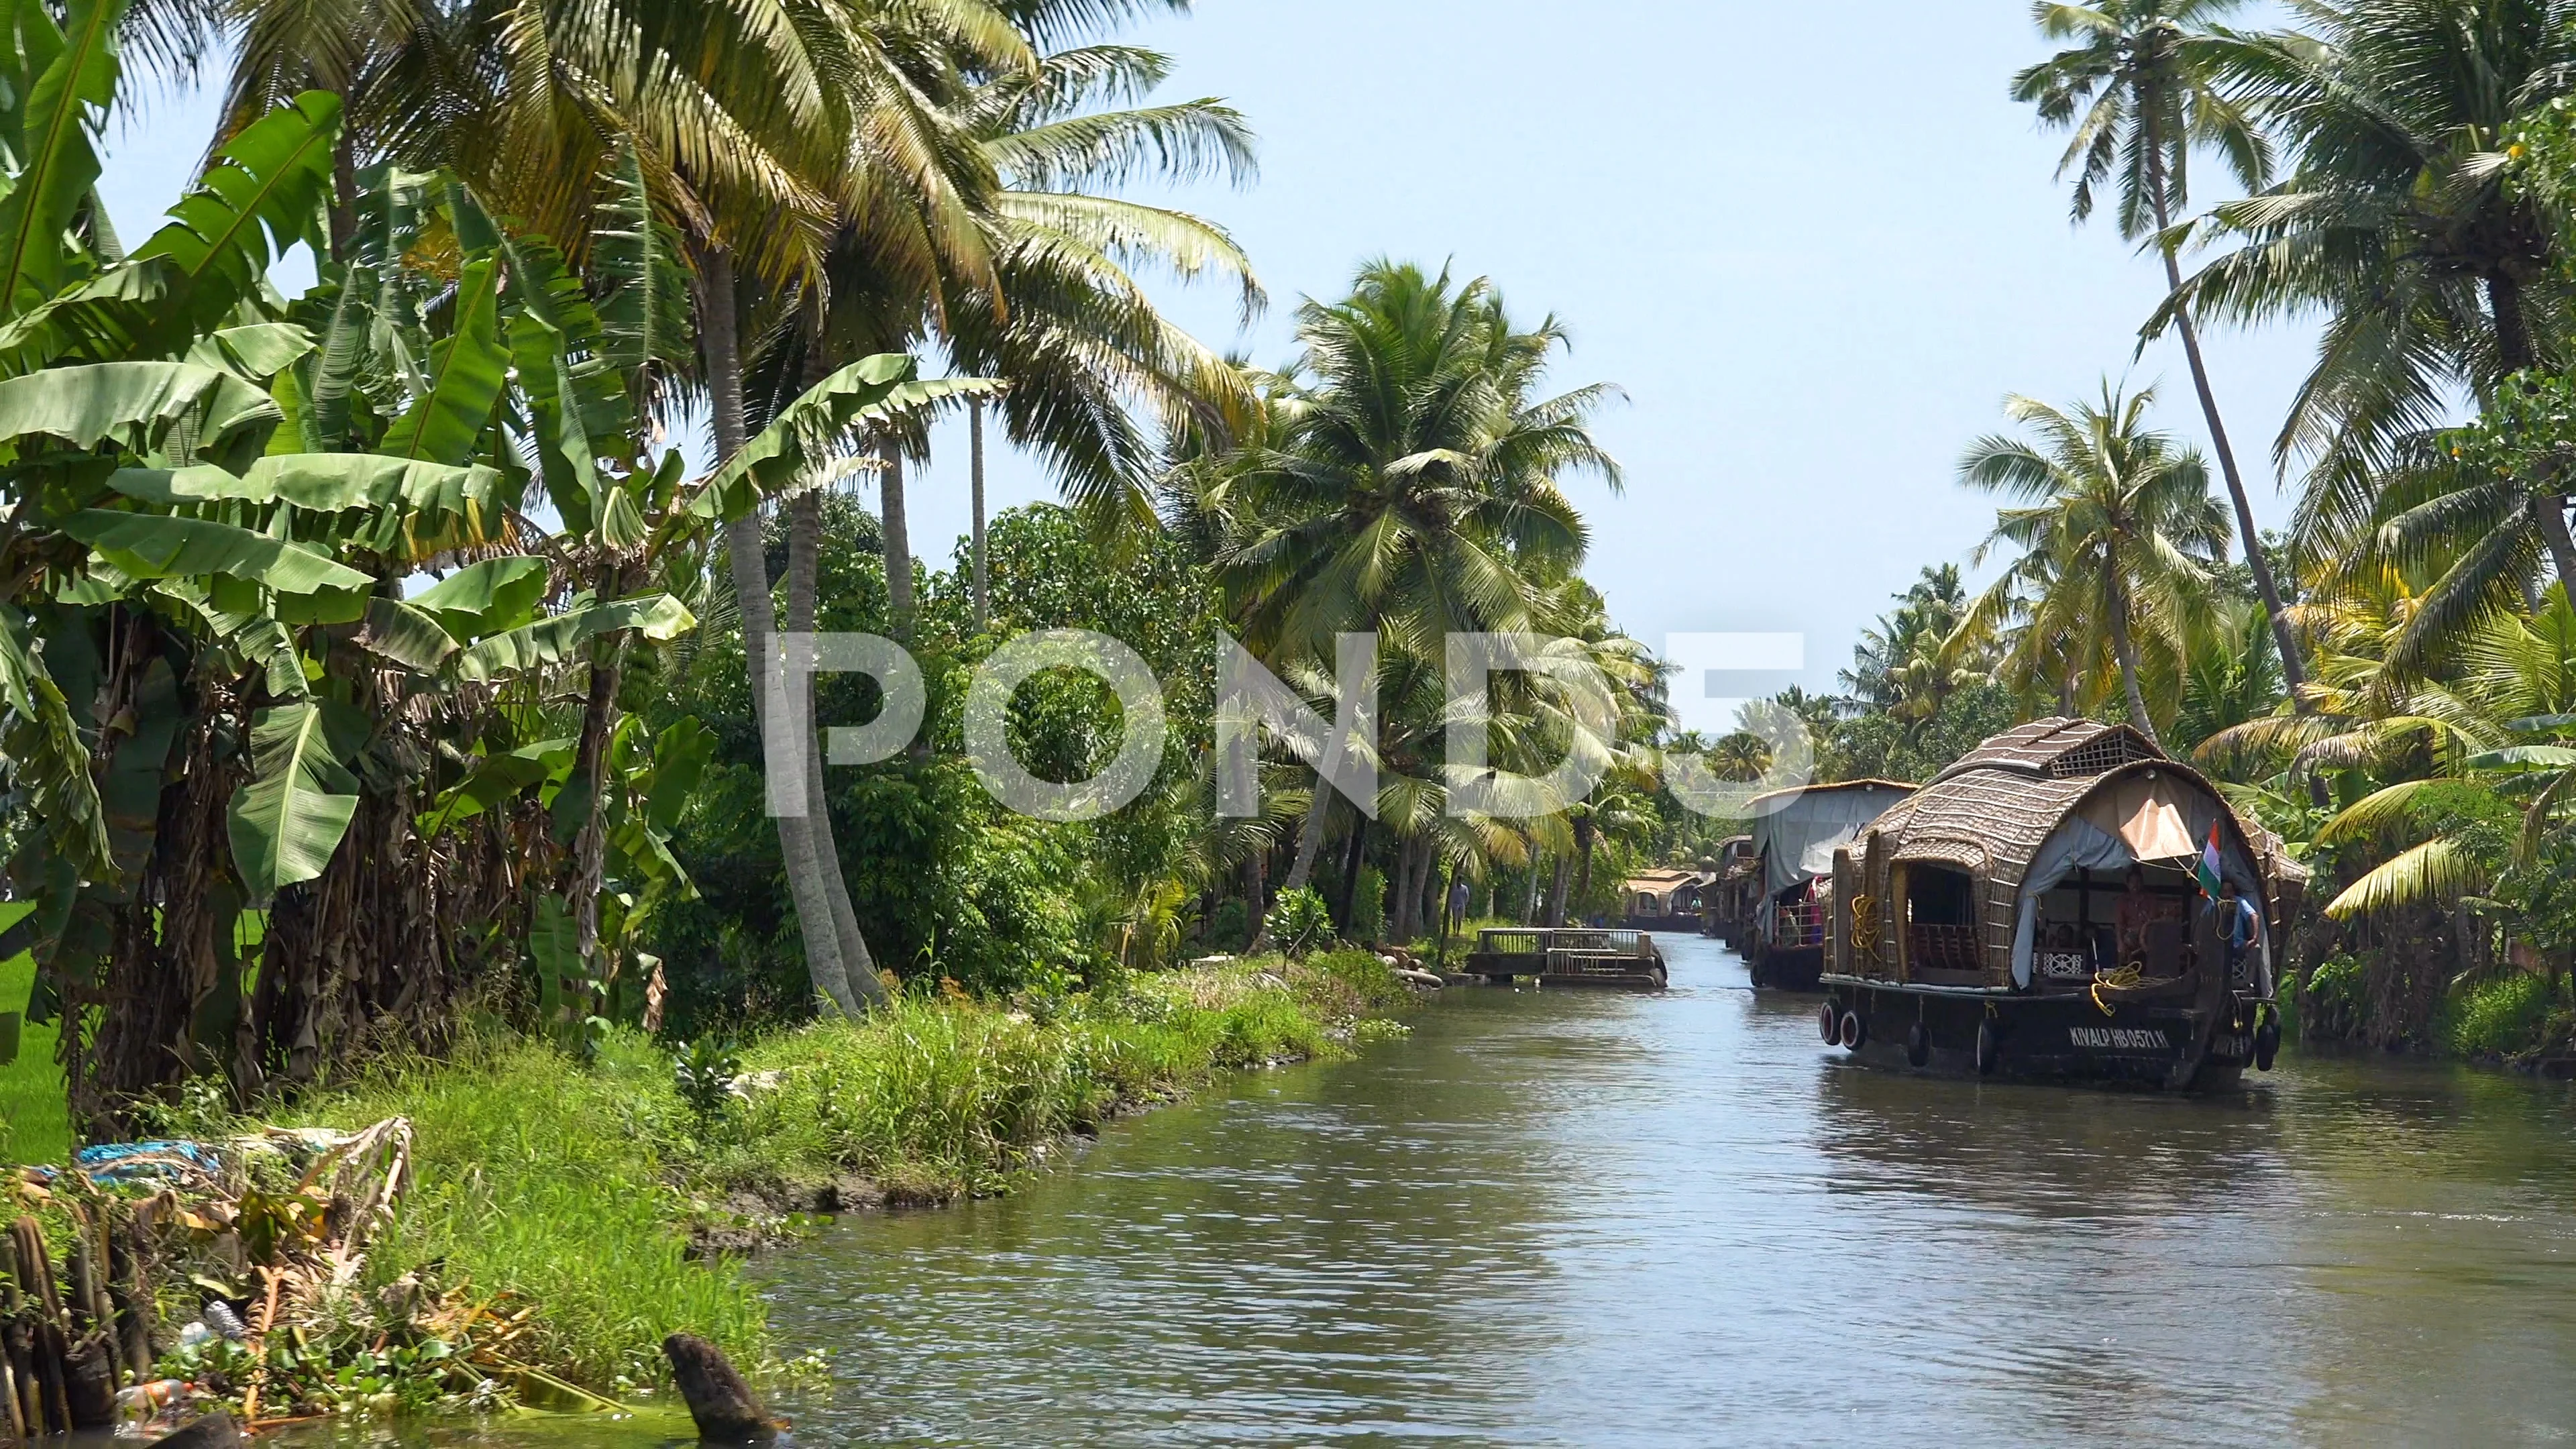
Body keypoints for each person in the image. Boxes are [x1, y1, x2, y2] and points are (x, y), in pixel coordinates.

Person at [2114, 865, 2180, 967]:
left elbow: (2152, 920)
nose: (2135, 885)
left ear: (2142, 883)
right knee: (2128, 940)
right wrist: (2120, 943)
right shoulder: (2123, 901)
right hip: (2131, 934)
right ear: (2127, 884)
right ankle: (2130, 971)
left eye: (2138, 882)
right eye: (2132, 882)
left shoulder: (2150, 899)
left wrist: (2142, 932)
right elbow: (2119, 924)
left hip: (2149, 933)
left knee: (2157, 940)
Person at [2217, 877, 2263, 986]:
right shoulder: (2215, 903)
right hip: (2218, 945)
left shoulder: (2239, 902)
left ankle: (2248, 983)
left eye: (2230, 891)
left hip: (2237, 944)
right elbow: (2203, 917)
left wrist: (2254, 938)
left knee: (2256, 949)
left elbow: (2254, 915)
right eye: (2225, 891)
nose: (2228, 894)